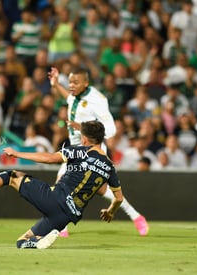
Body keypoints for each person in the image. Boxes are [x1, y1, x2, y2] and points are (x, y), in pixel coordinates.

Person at [0, 121, 124, 249]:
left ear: (84, 139)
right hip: (67, 216)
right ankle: (36, 242)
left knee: (11, 176)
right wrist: (110, 212)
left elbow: (51, 158)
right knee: (22, 242)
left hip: (55, 198)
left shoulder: (81, 151)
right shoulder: (109, 165)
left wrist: (18, 154)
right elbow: (118, 198)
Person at [48, 66, 149, 236]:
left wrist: (82, 128)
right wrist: (56, 84)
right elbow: (71, 100)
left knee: (75, 187)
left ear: (86, 83)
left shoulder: (97, 100)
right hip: (75, 149)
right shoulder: (76, 96)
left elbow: (111, 129)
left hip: (91, 149)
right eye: (70, 81)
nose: (71, 85)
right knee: (81, 188)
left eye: (75, 82)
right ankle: (62, 225)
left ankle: (136, 217)